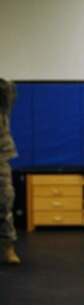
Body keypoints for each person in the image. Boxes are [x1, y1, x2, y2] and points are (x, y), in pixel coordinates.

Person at [0, 78, 20, 265]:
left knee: (5, 201)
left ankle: (9, 247)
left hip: (1, 156)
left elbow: (9, 87)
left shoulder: (3, 106)